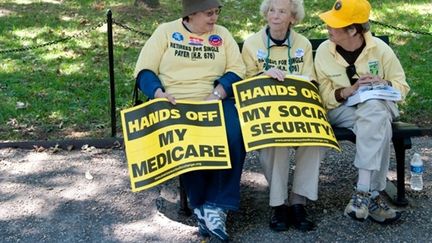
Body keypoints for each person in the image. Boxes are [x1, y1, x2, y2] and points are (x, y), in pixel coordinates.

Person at [133, 0, 246, 241]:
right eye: (208, 13)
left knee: (234, 133)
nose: (214, 18)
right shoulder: (165, 32)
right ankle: (201, 203)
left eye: (217, 12)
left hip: (214, 99)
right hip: (175, 102)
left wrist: (217, 94)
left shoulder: (222, 35)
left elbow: (237, 69)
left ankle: (218, 205)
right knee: (188, 139)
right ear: (190, 14)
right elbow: (144, 70)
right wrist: (158, 94)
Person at [315, 0, 410, 224]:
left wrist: (383, 82)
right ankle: (371, 194)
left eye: (334, 25)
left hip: (378, 107)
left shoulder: (380, 49)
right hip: (342, 111)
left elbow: (402, 86)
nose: (328, 27)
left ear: (353, 30)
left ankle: (362, 194)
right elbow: (323, 97)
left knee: (374, 109)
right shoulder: (323, 52)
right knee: (379, 123)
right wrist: (349, 90)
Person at [242, 0, 326, 232]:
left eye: (282, 11)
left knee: (315, 139)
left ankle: (298, 200)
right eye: (271, 10)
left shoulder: (303, 44)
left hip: (298, 108)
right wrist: (262, 74)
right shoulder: (251, 44)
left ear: (293, 17)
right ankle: (278, 203)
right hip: (266, 110)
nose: (275, 16)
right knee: (274, 139)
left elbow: (310, 79)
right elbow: (244, 82)